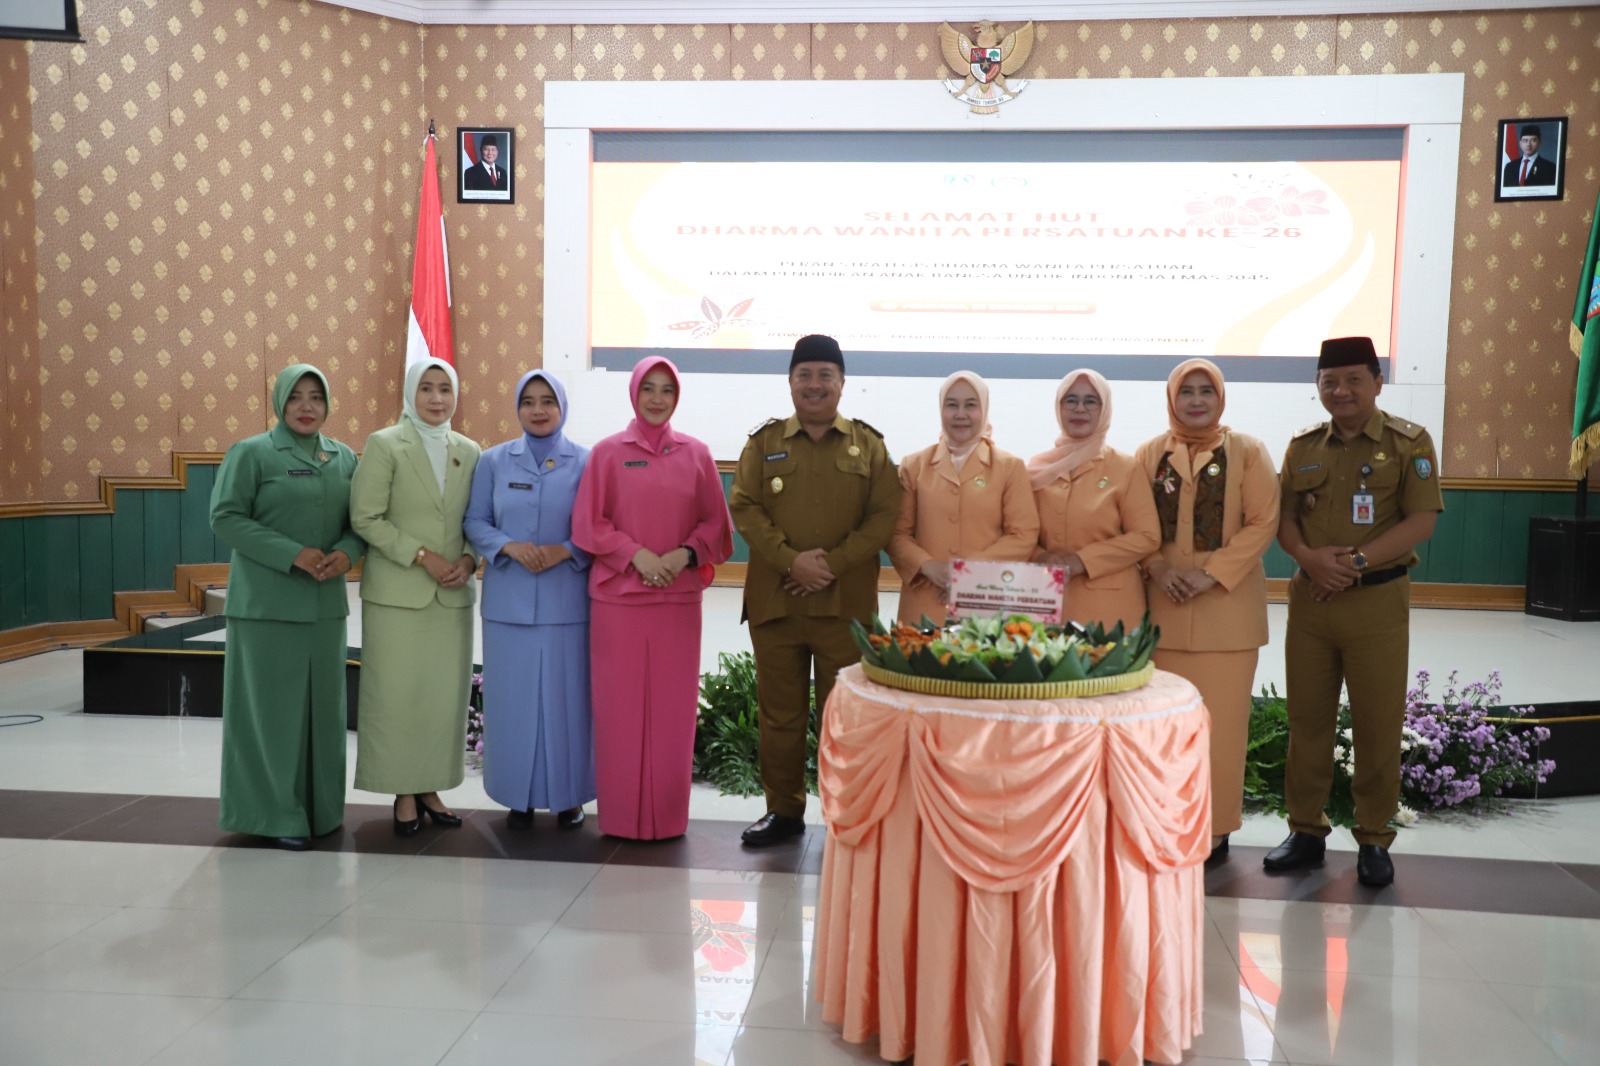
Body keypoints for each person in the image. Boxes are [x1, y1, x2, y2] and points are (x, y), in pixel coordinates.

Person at [1265, 336, 1443, 887]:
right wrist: (1308, 559)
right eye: (1329, 382)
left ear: (1377, 383)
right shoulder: (1302, 446)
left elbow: (1421, 520)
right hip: (1311, 601)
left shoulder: (1409, 441)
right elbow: (1285, 520)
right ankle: (1305, 830)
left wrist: (1355, 563)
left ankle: (1373, 837)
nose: (1340, 391)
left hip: (1376, 602)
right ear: (1318, 387)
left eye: (1353, 380)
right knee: (1308, 721)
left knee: (1377, 722)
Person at [729, 334, 902, 847]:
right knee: (778, 717)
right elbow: (744, 507)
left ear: (842, 383)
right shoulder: (764, 443)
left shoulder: (869, 445)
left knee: (844, 718)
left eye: (826, 374)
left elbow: (884, 516)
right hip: (777, 602)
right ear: (790, 382)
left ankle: (844, 815)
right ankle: (783, 812)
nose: (814, 384)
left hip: (844, 606)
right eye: (804, 374)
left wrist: (830, 565)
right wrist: (792, 561)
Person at [572, 356, 733, 840]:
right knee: (619, 714)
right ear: (634, 393)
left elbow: (716, 525)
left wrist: (684, 555)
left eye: (667, 390)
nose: (657, 399)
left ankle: (668, 818)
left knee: (672, 716)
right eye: (649, 388)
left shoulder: (697, 454)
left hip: (676, 604)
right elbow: (589, 523)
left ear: (676, 397)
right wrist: (635, 555)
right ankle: (621, 819)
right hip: (618, 603)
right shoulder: (607, 453)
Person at [209, 363, 364, 851]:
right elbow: (225, 517)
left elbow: (359, 523)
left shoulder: (344, 457)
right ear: (279, 401)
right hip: (266, 608)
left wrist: (348, 553)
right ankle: (273, 813)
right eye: (295, 396)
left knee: (324, 716)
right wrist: (292, 554)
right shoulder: (252, 452)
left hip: (324, 609)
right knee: (271, 716)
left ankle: (321, 811)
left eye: (316, 397)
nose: (306, 407)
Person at [1135, 359, 1279, 864]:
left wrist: (1211, 573)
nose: (1196, 400)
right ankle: (1163, 821)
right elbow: (1135, 525)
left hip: (1227, 617)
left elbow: (1262, 522)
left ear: (1220, 398)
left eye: (1206, 391)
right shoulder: (1149, 454)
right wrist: (1155, 567)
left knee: (1222, 732)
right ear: (1171, 398)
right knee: (1165, 730)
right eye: (1186, 391)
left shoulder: (1248, 452)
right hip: (1164, 613)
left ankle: (1215, 829)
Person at [348, 357, 481, 836]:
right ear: (410, 392)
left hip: (452, 597)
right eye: (426, 388)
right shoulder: (385, 444)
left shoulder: (470, 450)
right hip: (398, 595)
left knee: (442, 701)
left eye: (445, 388)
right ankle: (403, 792)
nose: (437, 398)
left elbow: (478, 518)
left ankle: (430, 788)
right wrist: (422, 556)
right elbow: (365, 517)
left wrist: (468, 559)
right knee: (397, 697)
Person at [464, 369, 595, 830]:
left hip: (567, 605)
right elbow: (475, 521)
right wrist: (508, 546)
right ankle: (516, 795)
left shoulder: (587, 462)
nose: (538, 410)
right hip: (508, 606)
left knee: (566, 705)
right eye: (528, 401)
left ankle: (568, 797)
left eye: (547, 401)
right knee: (513, 706)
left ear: (562, 407)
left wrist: (568, 550)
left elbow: (600, 526)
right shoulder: (493, 461)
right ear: (518, 408)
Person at [887, 370, 1039, 625]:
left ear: (984, 409)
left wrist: (968, 572)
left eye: (970, 405)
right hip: (926, 597)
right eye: (951, 405)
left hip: (986, 598)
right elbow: (895, 533)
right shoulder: (914, 465)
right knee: (918, 652)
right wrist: (927, 565)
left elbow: (1023, 534)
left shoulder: (1009, 467)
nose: (960, 414)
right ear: (941, 409)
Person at [1026, 368, 1159, 632]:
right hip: (1047, 604)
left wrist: (1082, 560)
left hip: (1111, 611)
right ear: (1059, 407)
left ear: (1104, 409)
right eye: (1071, 400)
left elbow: (1147, 536)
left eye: (1091, 401)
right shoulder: (1036, 469)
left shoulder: (1125, 468)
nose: (1080, 409)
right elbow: (1020, 531)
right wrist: (1040, 556)